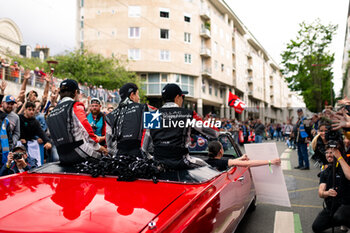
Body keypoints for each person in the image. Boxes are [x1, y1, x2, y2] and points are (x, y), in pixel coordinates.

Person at [145, 83, 218, 170]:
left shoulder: (152, 115)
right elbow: (214, 132)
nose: (182, 100)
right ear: (177, 97)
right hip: (181, 162)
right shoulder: (188, 114)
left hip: (158, 164)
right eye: (182, 97)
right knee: (211, 169)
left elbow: (144, 148)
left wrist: (154, 160)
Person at [47, 79, 107, 165]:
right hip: (79, 152)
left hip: (62, 156)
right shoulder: (75, 105)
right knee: (105, 160)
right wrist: (99, 147)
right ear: (75, 92)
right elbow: (86, 128)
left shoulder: (51, 113)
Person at [105, 83, 148, 157]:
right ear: (132, 95)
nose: (139, 97)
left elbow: (109, 142)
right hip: (139, 155)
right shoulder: (144, 108)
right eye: (137, 94)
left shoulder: (110, 115)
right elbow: (150, 133)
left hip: (120, 155)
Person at [312, 146, 344, 233]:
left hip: (345, 205)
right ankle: (338, 221)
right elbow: (320, 193)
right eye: (327, 153)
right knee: (316, 227)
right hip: (331, 207)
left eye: (331, 152)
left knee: (341, 216)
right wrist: (327, 193)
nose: (328, 155)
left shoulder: (344, 168)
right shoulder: (325, 172)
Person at [206, 141, 281, 171]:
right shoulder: (223, 162)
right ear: (221, 151)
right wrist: (270, 161)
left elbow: (233, 161)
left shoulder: (205, 161)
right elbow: (249, 163)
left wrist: (241, 158)